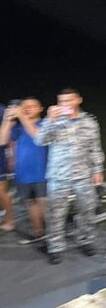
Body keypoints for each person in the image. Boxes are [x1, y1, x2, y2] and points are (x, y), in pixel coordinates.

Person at [35, 89, 104, 264]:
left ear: (78, 100)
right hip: (58, 175)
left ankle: (86, 240)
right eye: (61, 101)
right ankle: (55, 247)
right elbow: (40, 141)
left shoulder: (89, 122)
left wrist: (97, 170)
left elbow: (95, 148)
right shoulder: (53, 121)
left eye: (68, 100)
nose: (65, 104)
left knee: (87, 209)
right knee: (55, 213)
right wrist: (49, 120)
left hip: (83, 175)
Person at [0, 98, 48, 239]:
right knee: (31, 203)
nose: (27, 109)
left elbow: (37, 137)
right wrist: (7, 120)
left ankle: (51, 232)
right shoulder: (18, 128)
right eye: (24, 107)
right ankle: (39, 232)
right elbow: (2, 141)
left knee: (45, 204)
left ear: (40, 109)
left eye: (32, 106)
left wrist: (21, 116)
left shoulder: (47, 124)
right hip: (23, 174)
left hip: (43, 173)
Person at [0, 103, 12, 232]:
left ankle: (9, 221)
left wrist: (10, 155)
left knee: (1, 191)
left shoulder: (2, 110)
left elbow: (9, 126)